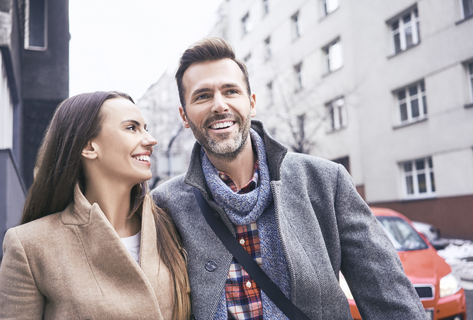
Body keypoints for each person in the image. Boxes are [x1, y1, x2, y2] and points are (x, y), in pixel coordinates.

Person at [152, 37, 427, 320]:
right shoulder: (166, 205)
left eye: (231, 91)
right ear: (184, 116)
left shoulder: (325, 182)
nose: (219, 105)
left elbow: (388, 297)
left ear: (252, 103)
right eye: (202, 96)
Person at [0, 91, 191, 319]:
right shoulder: (30, 245)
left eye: (145, 127)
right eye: (131, 128)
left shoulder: (173, 226)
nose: (151, 140)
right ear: (89, 147)